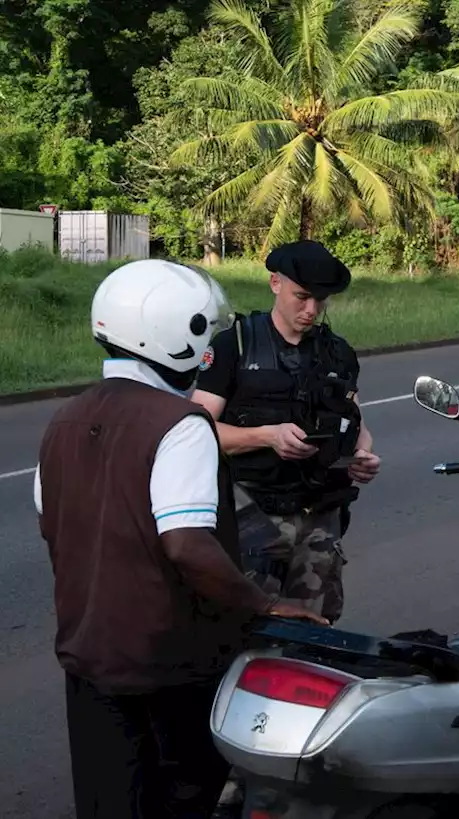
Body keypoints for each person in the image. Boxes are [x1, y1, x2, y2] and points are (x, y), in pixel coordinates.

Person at [34, 259, 327, 819]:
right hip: (169, 662)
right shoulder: (180, 425)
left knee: (110, 800)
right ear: (180, 336)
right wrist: (263, 603)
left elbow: (56, 523)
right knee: (181, 797)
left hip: (89, 656)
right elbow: (187, 544)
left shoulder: (63, 420)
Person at [191, 239, 380, 626]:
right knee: (245, 631)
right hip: (252, 516)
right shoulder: (235, 345)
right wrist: (267, 436)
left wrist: (363, 455)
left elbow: (354, 419)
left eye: (321, 301)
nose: (311, 310)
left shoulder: (338, 353)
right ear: (275, 283)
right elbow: (195, 429)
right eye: (302, 297)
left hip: (319, 519)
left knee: (315, 635)